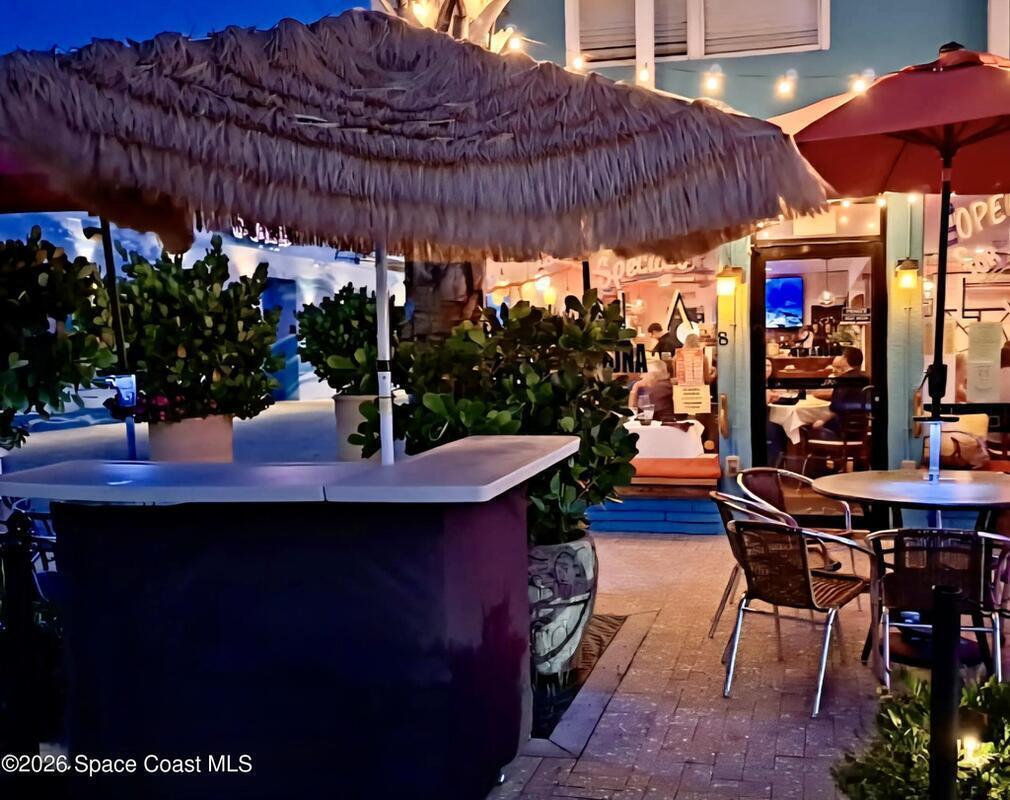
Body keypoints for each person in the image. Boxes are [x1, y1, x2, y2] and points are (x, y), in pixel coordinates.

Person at [810, 347, 869, 439]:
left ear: (844, 360)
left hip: (842, 432)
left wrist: (821, 421)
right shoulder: (866, 380)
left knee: (809, 428)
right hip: (862, 431)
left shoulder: (842, 380)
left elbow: (835, 408)